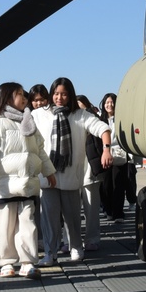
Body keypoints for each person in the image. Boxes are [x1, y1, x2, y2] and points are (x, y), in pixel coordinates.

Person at [0, 82, 56, 279]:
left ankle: (27, 262)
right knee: (6, 225)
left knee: (28, 224)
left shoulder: (28, 122)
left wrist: (49, 171)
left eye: (23, 94)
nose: (24, 98)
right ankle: (6, 262)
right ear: (6, 98)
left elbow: (40, 150)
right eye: (18, 94)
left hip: (28, 183)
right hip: (6, 185)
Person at [31, 77, 112, 266]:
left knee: (73, 217)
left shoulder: (80, 115)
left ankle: (76, 247)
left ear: (70, 95)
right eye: (56, 94)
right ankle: (51, 252)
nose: (59, 98)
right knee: (49, 218)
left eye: (64, 94)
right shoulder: (38, 114)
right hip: (47, 174)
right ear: (51, 94)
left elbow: (103, 128)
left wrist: (106, 149)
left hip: (71, 176)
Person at [75, 94, 103, 251]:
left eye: (82, 106)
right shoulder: (67, 119)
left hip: (89, 170)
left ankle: (92, 238)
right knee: (70, 209)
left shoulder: (92, 120)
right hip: (71, 170)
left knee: (91, 207)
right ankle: (70, 239)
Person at [97, 92, 129, 222]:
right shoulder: (100, 120)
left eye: (112, 102)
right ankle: (108, 210)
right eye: (107, 102)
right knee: (106, 185)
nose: (109, 105)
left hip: (119, 155)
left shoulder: (122, 119)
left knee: (118, 185)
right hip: (104, 155)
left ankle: (118, 214)